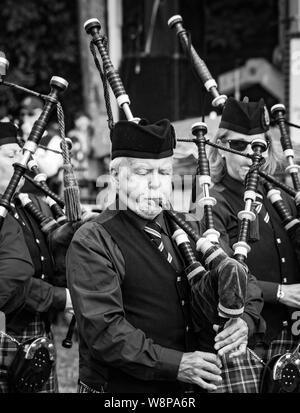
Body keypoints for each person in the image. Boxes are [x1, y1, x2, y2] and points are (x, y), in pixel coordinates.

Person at [66, 118, 264, 393]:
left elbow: (247, 283)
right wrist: (177, 363)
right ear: (115, 177)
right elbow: (104, 331)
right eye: (142, 172)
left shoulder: (189, 226)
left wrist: (245, 322)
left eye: (163, 172)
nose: (155, 184)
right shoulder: (93, 239)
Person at [202, 97, 300, 392]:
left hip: (292, 336)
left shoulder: (283, 199)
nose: (249, 155)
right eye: (239, 146)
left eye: (258, 146)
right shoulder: (212, 203)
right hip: (245, 337)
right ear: (221, 149)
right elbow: (224, 269)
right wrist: (281, 293)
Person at [0, 121, 72, 393]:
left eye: (21, 152)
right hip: (6, 327)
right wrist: (63, 298)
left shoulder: (30, 205)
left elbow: (48, 264)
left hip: (38, 332)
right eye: (10, 155)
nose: (21, 161)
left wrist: (68, 242)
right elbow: (11, 281)